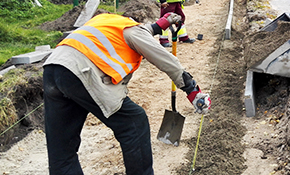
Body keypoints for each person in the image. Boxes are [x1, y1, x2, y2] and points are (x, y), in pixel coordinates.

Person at [43, 13, 211, 175]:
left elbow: (146, 31)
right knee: (134, 123)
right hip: (82, 71)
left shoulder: (107, 22)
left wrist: (161, 25)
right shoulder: (133, 30)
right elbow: (166, 61)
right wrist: (193, 91)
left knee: (62, 148)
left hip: (53, 68)